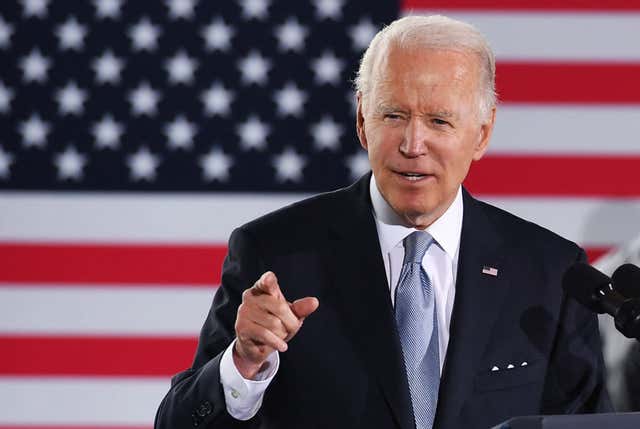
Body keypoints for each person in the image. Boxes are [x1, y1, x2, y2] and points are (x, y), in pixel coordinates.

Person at [155, 15, 612, 429]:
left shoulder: (550, 272)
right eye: (394, 115)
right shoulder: (275, 253)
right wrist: (243, 365)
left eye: (438, 121)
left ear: (482, 133)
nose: (414, 144)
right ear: (361, 120)